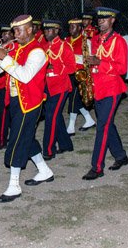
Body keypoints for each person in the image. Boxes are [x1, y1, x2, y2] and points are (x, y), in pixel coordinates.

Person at [0, 15, 54, 202]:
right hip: (15, 101)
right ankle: (44, 170)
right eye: (14, 31)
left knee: (17, 140)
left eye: (18, 31)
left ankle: (14, 185)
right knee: (26, 136)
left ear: (29, 30)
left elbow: (24, 76)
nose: (14, 34)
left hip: (30, 103)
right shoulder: (15, 48)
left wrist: (5, 57)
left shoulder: (38, 52)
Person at [82, 7, 128, 180]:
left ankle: (97, 167)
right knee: (108, 124)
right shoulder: (96, 39)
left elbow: (122, 69)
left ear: (112, 20)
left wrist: (99, 62)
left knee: (102, 126)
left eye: (104, 18)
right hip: (97, 87)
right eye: (99, 19)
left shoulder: (119, 41)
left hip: (112, 89)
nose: (100, 21)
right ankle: (121, 156)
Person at [40, 20, 76, 160]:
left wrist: (53, 68)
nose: (46, 32)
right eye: (45, 30)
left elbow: (72, 67)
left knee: (51, 116)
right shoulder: (43, 46)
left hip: (60, 86)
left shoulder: (64, 46)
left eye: (49, 30)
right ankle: (66, 144)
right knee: (56, 115)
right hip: (47, 86)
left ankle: (48, 150)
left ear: (56, 31)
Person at [66, 18, 96, 135]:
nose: (70, 29)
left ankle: (71, 127)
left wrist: (73, 58)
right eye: (69, 27)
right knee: (76, 100)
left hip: (81, 75)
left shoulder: (85, 41)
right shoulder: (66, 40)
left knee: (73, 100)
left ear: (79, 28)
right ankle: (89, 120)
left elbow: (90, 58)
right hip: (69, 74)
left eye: (73, 27)